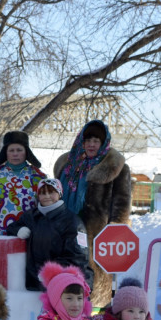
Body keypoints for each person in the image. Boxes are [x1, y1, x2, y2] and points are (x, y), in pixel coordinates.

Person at [55, 119, 132, 306]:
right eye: (87, 140)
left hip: (97, 234)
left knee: (96, 278)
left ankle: (95, 315)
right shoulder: (68, 165)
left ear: (103, 143)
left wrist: (116, 229)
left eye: (96, 141)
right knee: (67, 274)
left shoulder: (117, 168)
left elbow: (122, 203)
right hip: (67, 229)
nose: (91, 144)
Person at [7, 178, 93, 291]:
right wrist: (18, 230)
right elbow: (11, 227)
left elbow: (78, 258)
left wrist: (50, 271)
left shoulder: (72, 222)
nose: (47, 196)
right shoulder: (32, 216)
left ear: (60, 194)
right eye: (42, 193)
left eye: (51, 192)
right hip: (34, 285)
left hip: (63, 285)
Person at [0, 130, 45, 236]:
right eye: (11, 150)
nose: (15, 154)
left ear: (27, 152)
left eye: (19, 150)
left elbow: (47, 208)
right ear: (5, 152)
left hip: (30, 239)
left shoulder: (38, 177)